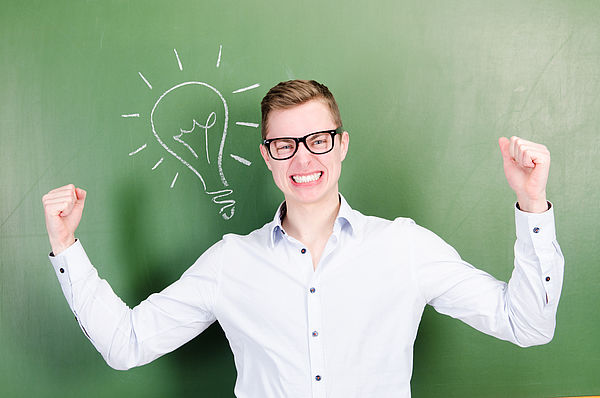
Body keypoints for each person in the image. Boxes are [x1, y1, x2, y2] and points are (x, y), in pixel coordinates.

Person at [43, 80, 564, 398]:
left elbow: (528, 325)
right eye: (285, 144)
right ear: (268, 156)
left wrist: (533, 205)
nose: (303, 158)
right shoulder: (231, 262)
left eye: (317, 140)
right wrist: (66, 246)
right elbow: (126, 344)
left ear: (341, 147)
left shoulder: (403, 248)